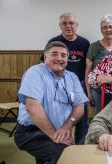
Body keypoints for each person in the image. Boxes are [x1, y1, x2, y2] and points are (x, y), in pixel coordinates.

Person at [14, 41, 89, 164]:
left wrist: (67, 127)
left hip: (60, 130)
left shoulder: (72, 77)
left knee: (50, 158)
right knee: (68, 155)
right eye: (54, 54)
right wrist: (56, 136)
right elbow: (32, 107)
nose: (59, 58)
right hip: (31, 132)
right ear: (45, 57)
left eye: (64, 55)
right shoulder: (35, 72)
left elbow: (79, 106)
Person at [45, 13, 90, 145]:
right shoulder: (53, 43)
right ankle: (58, 142)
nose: (68, 26)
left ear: (76, 25)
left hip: (79, 84)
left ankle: (79, 146)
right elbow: (45, 64)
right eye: (64, 23)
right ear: (60, 26)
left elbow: (89, 66)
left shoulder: (84, 43)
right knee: (58, 117)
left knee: (82, 119)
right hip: (57, 83)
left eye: (71, 23)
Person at [85, 14, 112, 116]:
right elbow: (88, 71)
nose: (108, 30)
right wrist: (89, 93)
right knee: (99, 118)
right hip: (98, 91)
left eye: (111, 27)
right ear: (101, 30)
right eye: (104, 27)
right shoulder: (94, 47)